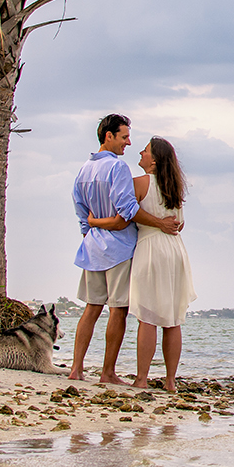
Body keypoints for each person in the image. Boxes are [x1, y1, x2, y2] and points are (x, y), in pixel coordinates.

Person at [68, 114, 180, 384]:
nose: (128, 143)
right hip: (119, 248)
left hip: (92, 246)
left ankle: (76, 369)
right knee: (117, 309)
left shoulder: (84, 169)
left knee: (91, 307)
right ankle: (108, 372)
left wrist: (93, 229)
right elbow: (127, 212)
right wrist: (159, 224)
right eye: (124, 137)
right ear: (109, 136)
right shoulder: (117, 168)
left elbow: (81, 213)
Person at [127, 136, 197, 391]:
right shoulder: (175, 188)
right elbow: (179, 222)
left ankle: (142, 378)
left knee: (147, 315)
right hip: (175, 250)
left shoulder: (140, 183)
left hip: (152, 247)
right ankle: (170, 381)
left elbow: (128, 211)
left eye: (145, 151)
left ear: (153, 160)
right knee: (172, 318)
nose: (141, 153)